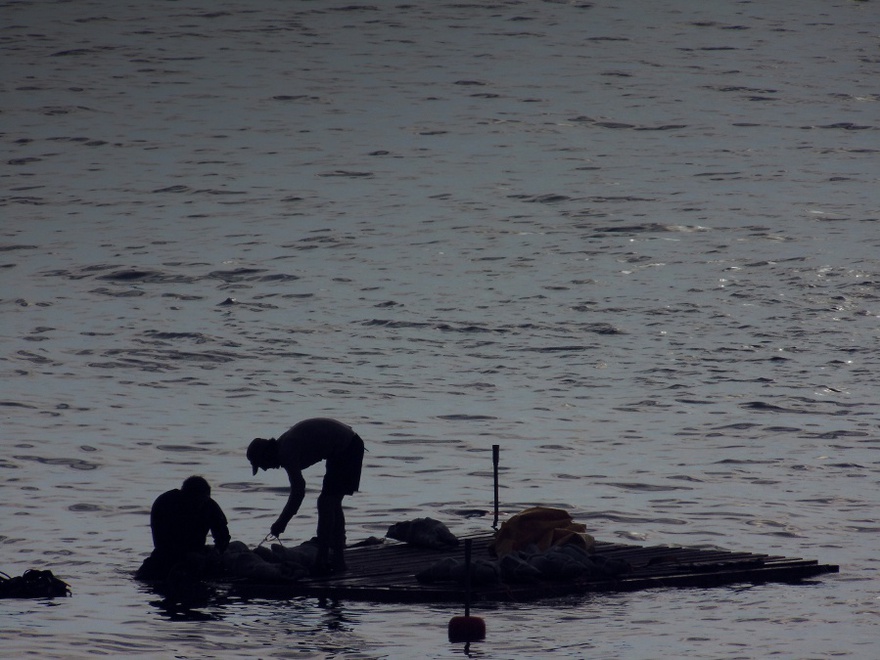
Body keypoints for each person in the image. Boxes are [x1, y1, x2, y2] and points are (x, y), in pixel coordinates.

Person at [247, 418, 364, 574]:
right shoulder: (284, 445)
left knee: (327, 502)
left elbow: (298, 491)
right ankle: (335, 559)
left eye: (262, 464)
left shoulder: (286, 451)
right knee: (332, 503)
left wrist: (282, 522)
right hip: (343, 446)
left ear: (266, 454)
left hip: (348, 447)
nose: (265, 469)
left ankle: (325, 560)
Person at [135, 475, 231, 581]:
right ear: (185, 495)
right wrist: (186, 555)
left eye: (203, 500)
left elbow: (223, 536)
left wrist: (217, 551)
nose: (199, 505)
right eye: (196, 501)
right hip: (167, 554)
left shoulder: (209, 505)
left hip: (199, 552)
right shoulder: (165, 504)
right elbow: (160, 542)